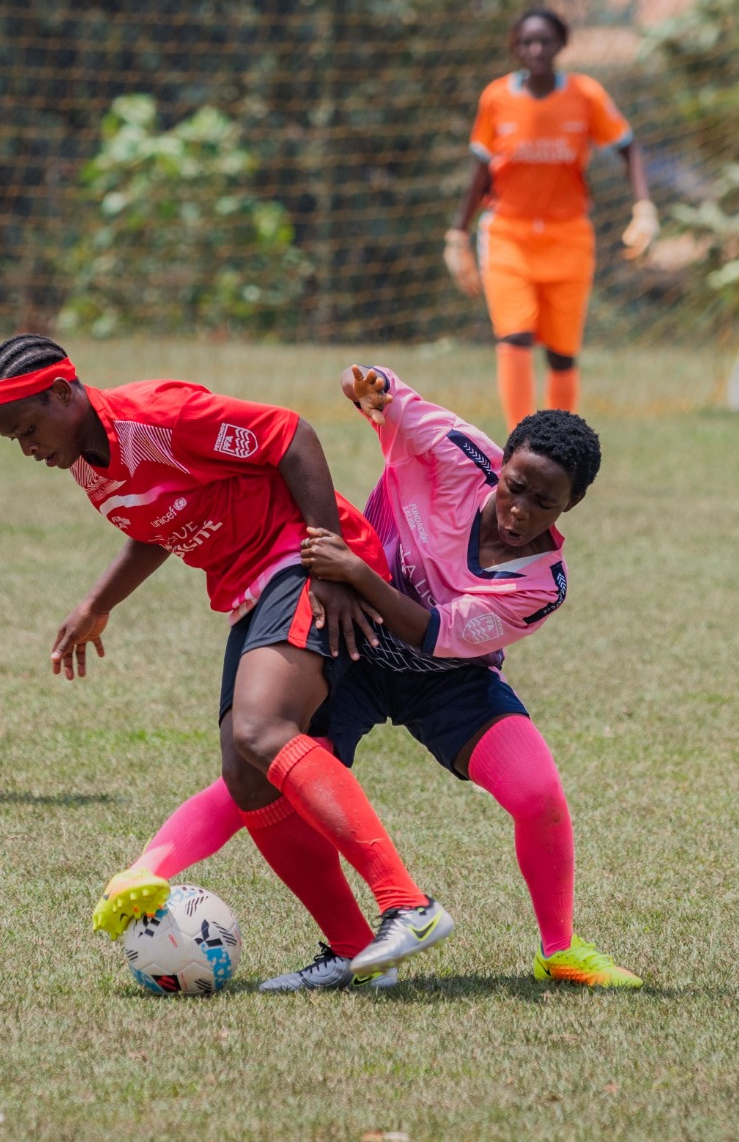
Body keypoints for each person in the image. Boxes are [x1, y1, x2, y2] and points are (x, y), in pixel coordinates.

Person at [93, 363, 642, 992]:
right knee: (268, 762)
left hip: (445, 678)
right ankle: (155, 874)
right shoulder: (458, 451)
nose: (520, 510)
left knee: (538, 795)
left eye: (545, 503)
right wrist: (370, 386)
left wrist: (353, 572)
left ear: (572, 504)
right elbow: (387, 397)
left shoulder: (542, 583)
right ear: (502, 464)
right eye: (514, 486)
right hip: (354, 645)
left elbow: (432, 632)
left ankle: (560, 949)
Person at [0, 336, 455, 978]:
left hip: (300, 555)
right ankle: (353, 950)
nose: (28, 449)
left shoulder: (159, 416)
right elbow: (156, 527)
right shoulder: (88, 464)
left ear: (63, 393)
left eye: (29, 430)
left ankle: (407, 905)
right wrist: (97, 604)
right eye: (16, 440)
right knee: (245, 772)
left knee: (261, 729)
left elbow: (291, 435)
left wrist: (332, 562)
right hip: (249, 584)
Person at [445, 7, 657, 430]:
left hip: (569, 236)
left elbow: (629, 148)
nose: (536, 49)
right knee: (515, 336)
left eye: (545, 41)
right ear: (516, 48)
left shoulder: (586, 95)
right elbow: (480, 170)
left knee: (562, 354)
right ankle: (520, 440)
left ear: (561, 44)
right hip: (508, 235)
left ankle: (558, 447)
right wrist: (457, 235)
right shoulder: (497, 97)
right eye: (527, 42)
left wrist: (644, 208)